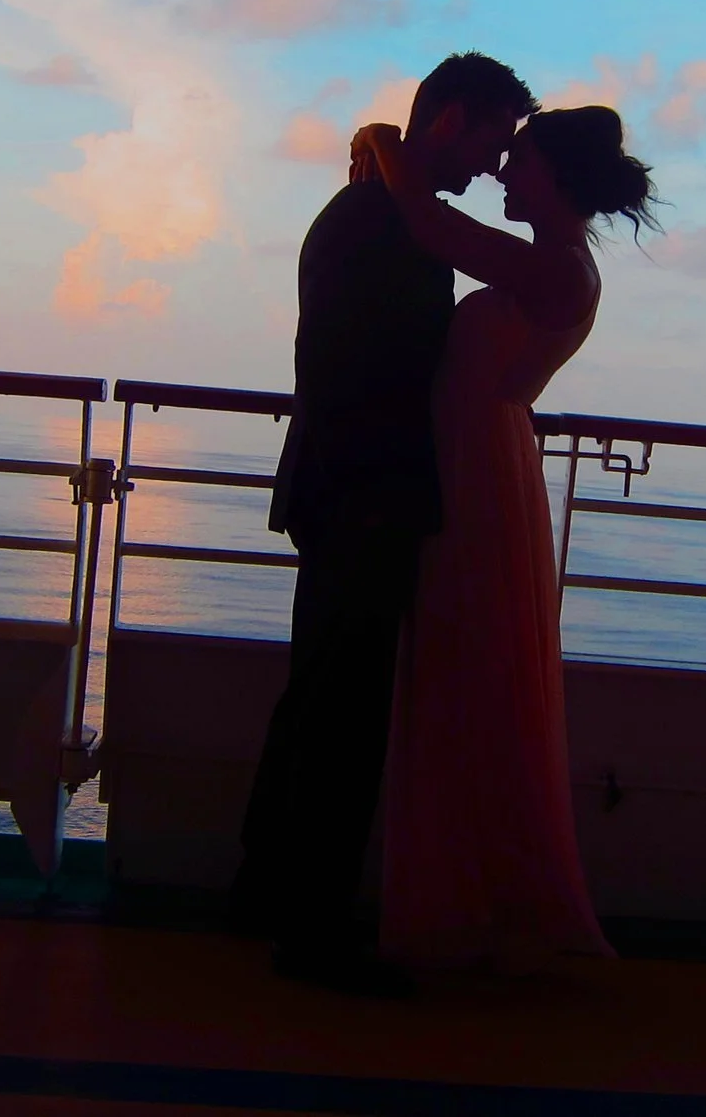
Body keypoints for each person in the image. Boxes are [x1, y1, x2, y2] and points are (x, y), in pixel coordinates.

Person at [235, 52, 537, 997]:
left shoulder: (376, 208)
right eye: (492, 137)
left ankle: (270, 895)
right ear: (449, 120)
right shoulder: (381, 219)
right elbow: (341, 365)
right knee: (341, 715)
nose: (495, 165)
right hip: (362, 496)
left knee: (320, 700)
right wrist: (377, 491)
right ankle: (310, 930)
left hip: (347, 492)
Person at [351, 104, 656, 975]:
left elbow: (430, 222)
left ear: (556, 177)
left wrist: (380, 139)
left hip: (479, 473)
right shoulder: (553, 263)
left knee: (465, 671)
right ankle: (461, 898)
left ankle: (471, 904)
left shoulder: (558, 269)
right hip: (475, 462)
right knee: (460, 673)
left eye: (517, 161)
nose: (502, 174)